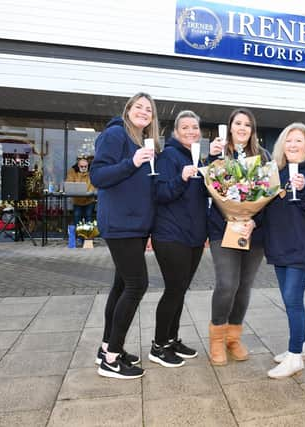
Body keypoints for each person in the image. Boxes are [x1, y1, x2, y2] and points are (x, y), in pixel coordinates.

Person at [90, 92, 160, 379]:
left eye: (149, 110)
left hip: (136, 225)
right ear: (128, 109)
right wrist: (132, 162)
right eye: (139, 107)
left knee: (121, 286)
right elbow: (98, 176)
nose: (144, 112)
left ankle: (107, 347)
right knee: (137, 284)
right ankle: (112, 359)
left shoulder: (142, 141)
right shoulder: (116, 134)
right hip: (120, 224)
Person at [206, 107, 271, 366]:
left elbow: (269, 196)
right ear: (230, 127)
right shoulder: (218, 153)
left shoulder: (263, 156)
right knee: (227, 284)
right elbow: (206, 184)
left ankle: (233, 337)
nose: (242, 128)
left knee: (244, 287)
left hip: (253, 231)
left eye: (247, 124)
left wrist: (253, 221)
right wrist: (206, 160)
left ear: (252, 130)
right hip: (222, 229)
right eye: (238, 123)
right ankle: (217, 339)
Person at [263, 122, 305, 378]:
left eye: (298, 140)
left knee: (292, 298)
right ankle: (301, 343)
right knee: (290, 299)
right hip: (279, 243)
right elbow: (264, 205)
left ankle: (294, 357)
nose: (292, 145)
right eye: (288, 141)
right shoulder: (275, 170)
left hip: (302, 244)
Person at [148, 110, 207, 367]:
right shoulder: (168, 156)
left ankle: (172, 339)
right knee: (173, 290)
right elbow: (159, 193)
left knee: (181, 289)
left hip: (193, 236)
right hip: (170, 234)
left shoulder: (197, 157)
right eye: (185, 127)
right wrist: (181, 178)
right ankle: (158, 345)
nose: (191, 131)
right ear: (176, 132)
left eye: (195, 127)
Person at [66, 156, 95, 226]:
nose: (84, 168)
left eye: (85, 166)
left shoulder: (92, 172)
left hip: (89, 200)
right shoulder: (72, 172)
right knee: (77, 218)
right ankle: (78, 235)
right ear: (78, 166)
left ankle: (89, 235)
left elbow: (94, 184)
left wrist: (91, 191)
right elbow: (69, 183)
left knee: (89, 218)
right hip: (77, 200)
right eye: (82, 166)